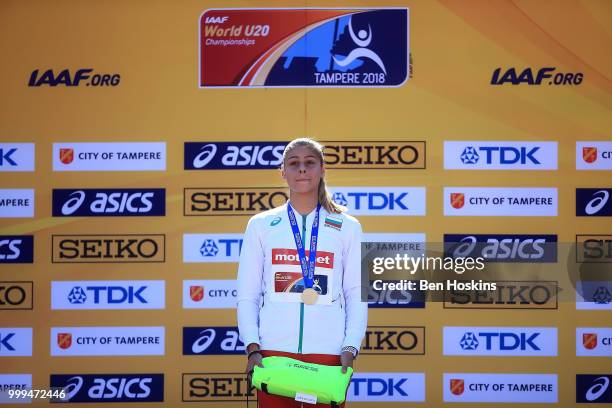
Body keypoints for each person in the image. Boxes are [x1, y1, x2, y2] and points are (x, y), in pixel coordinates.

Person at [237, 138, 368, 407]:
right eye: (293, 164)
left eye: (309, 163)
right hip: (272, 352)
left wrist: (350, 347)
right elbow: (248, 294)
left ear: (322, 169)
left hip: (329, 352)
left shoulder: (347, 226)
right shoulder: (261, 225)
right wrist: (253, 346)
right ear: (282, 171)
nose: (302, 170)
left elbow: (356, 293)